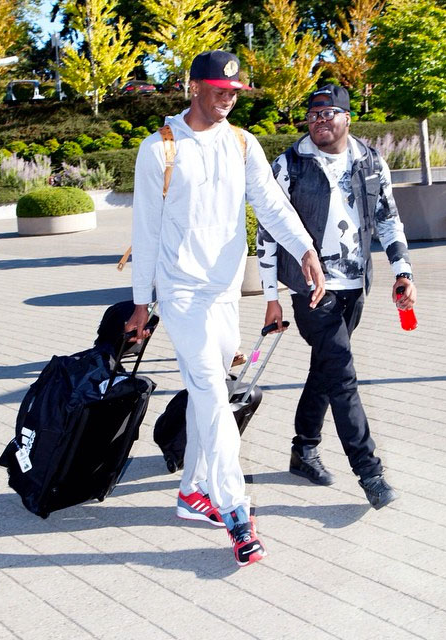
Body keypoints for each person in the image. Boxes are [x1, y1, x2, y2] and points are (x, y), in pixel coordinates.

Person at [125, 50, 324, 567]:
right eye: (220, 89)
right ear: (193, 88)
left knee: (204, 391)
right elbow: (144, 232)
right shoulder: (159, 150)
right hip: (181, 293)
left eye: (236, 91)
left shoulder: (242, 142)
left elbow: (272, 203)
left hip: (223, 292)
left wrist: (304, 249)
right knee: (213, 396)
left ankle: (193, 492)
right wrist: (141, 304)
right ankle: (236, 510)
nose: (229, 98)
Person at [257, 84, 417, 510]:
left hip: (354, 285)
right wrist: (271, 295)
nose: (320, 121)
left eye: (329, 113)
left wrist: (402, 271)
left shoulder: (369, 160)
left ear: (347, 118)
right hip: (313, 289)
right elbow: (267, 231)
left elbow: (388, 219)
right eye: (313, 115)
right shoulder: (289, 164)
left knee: (327, 367)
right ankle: (370, 473)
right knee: (342, 373)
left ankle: (303, 448)